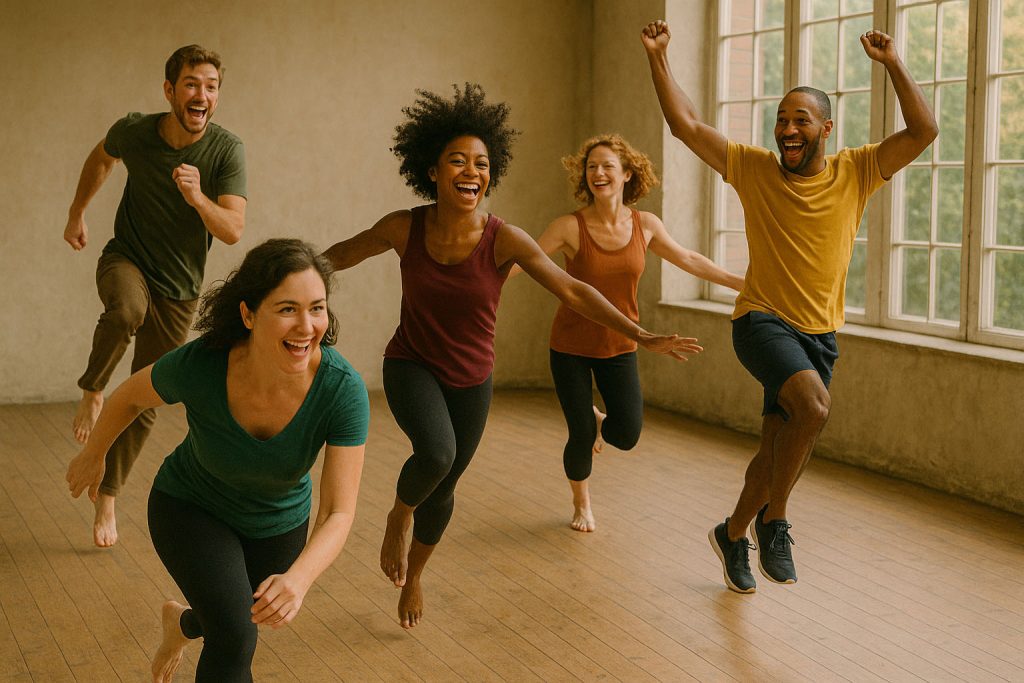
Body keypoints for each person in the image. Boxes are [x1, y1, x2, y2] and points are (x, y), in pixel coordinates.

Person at [323, 83, 702, 629]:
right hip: (412, 365)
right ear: (432, 170)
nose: (471, 171)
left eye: (481, 162)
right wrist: (285, 277)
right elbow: (340, 255)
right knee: (436, 455)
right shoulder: (404, 227)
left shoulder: (505, 239)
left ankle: (417, 576)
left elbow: (575, 291)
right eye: (457, 160)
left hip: (472, 380)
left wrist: (640, 336)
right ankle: (397, 515)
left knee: (446, 486)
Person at [642, 20, 937, 593]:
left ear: (826, 128)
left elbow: (923, 130)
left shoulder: (858, 170)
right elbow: (684, 125)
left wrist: (895, 64)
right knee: (815, 410)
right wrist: (659, 57)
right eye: (781, 119)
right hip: (761, 321)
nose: (787, 129)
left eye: (800, 119)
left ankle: (731, 534)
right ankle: (775, 523)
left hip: (820, 335)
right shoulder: (752, 168)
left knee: (774, 453)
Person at [66, 239, 368, 682]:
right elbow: (130, 396)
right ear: (248, 314)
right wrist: (95, 453)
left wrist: (299, 578)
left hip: (278, 525)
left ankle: (183, 623)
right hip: (190, 508)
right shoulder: (205, 363)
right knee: (235, 635)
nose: (307, 325)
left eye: (317, 308)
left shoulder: (341, 390)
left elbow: (339, 512)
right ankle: (201, 622)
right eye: (287, 309)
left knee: (229, 617)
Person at [62, 44, 247, 548]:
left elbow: (232, 229)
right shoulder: (137, 131)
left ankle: (108, 496)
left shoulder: (226, 151)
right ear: (170, 91)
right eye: (191, 84)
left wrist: (197, 197)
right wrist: (78, 211)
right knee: (125, 309)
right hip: (128, 259)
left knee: (149, 394)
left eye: (211, 86)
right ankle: (94, 390)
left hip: (181, 289)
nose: (201, 94)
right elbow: (102, 157)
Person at [512, 134, 743, 532]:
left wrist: (742, 283)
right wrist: (475, 286)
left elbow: (689, 258)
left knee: (627, 433)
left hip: (619, 344)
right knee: (580, 433)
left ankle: (599, 421)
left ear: (626, 174)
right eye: (591, 167)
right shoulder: (569, 226)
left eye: (607, 166)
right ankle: (581, 502)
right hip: (570, 345)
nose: (598, 173)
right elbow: (523, 262)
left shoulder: (646, 225)